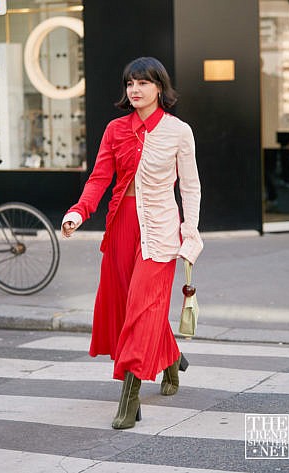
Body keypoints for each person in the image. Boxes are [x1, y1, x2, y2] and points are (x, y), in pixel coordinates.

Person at [61, 56, 203, 430]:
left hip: (160, 229)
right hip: (122, 226)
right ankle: (170, 360)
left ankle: (130, 397)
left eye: (142, 83)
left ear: (160, 88)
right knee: (131, 310)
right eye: (129, 84)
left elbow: (189, 187)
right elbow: (99, 178)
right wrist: (79, 211)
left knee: (144, 306)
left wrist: (190, 234)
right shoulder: (115, 129)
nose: (135, 90)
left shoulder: (178, 131)